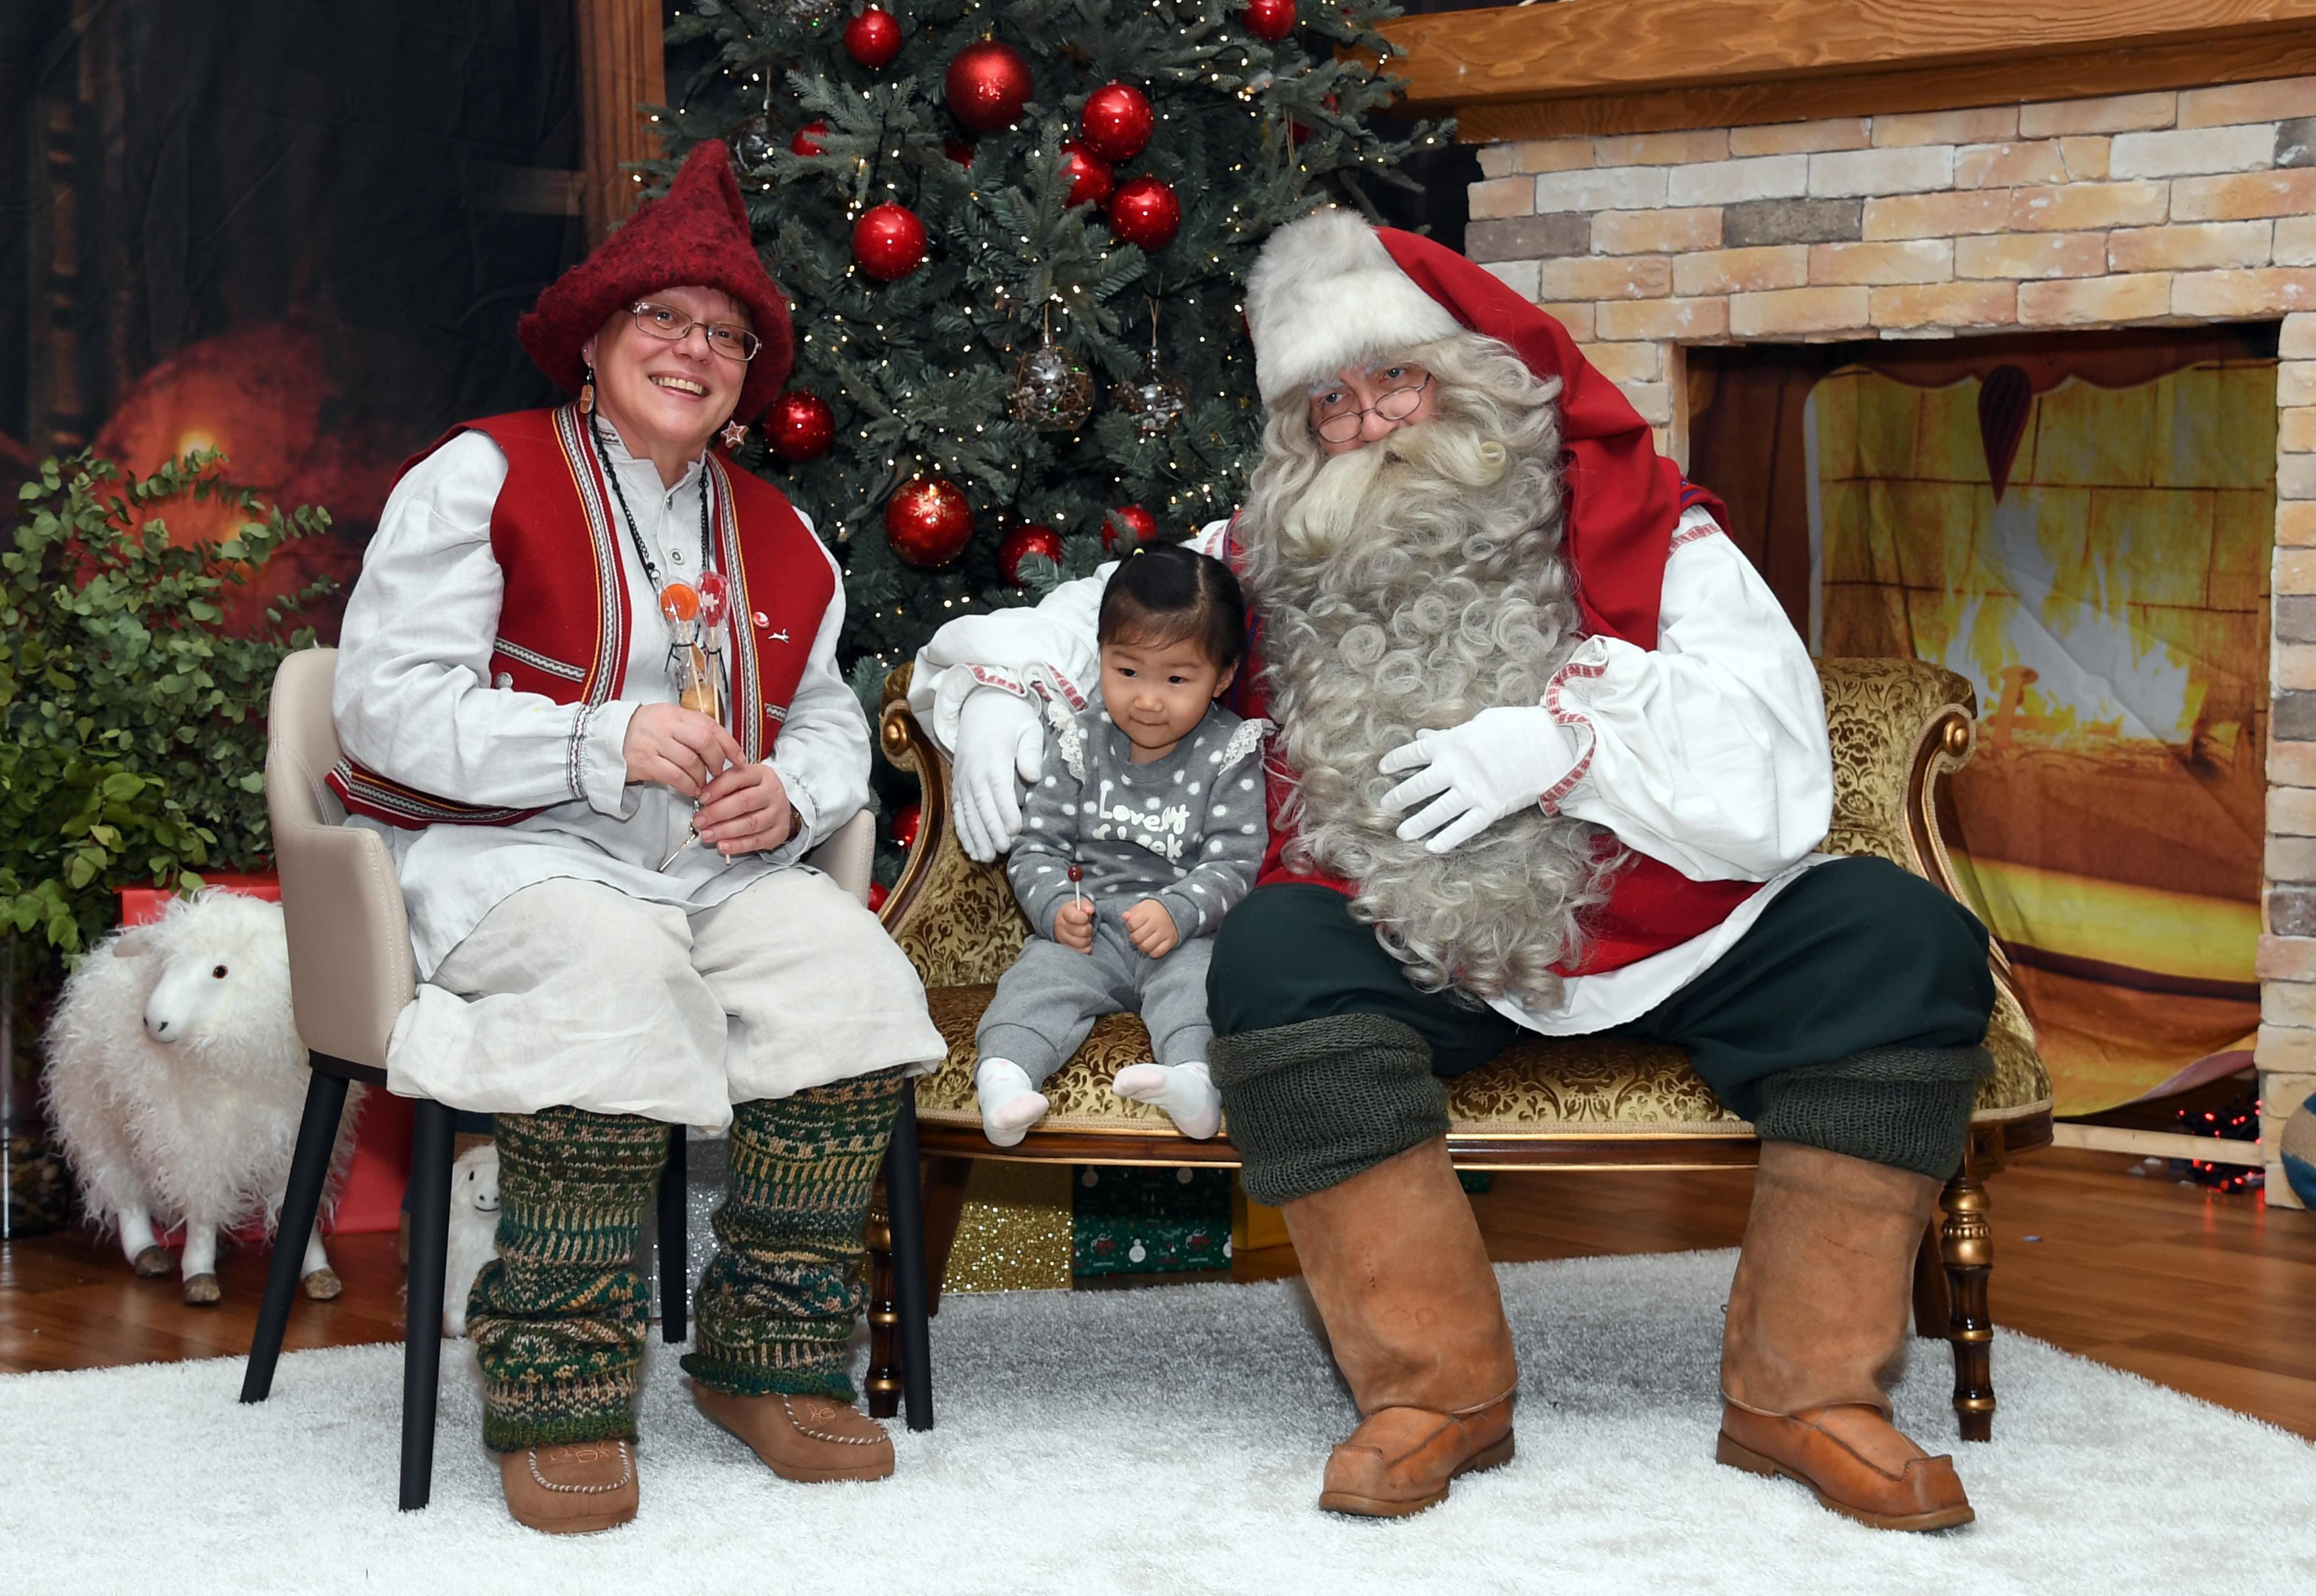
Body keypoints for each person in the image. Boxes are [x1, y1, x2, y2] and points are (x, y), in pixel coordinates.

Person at [912, 208, 1996, 1532]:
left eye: (1399, 381)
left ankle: (1806, 1392)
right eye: (1333, 401)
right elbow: (1079, 627)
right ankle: (1433, 1389)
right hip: (1402, 938)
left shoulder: (1656, 533)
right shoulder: (1254, 558)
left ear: (1470, 380)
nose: (1372, 423)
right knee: (1272, 957)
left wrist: (1563, 740)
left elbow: (1775, 775)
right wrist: (1007, 695)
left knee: (1898, 934)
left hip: (1667, 928)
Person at [331, 142, 945, 1534]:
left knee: (852, 980)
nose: (695, 349)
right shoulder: (478, 474)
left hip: (712, 871)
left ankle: (769, 1358)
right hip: (515, 857)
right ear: (597, 339)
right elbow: (381, 705)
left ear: (747, 381)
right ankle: (558, 1380)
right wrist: (594, 740)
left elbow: (835, 724)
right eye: (663, 319)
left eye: (725, 335)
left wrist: (791, 793)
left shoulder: (787, 537)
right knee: (610, 977)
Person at [972, 542, 1269, 1146]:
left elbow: (1236, 861)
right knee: (1036, 982)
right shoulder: (1081, 740)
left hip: (1184, 934)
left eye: (1178, 678)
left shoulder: (1229, 751)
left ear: (1224, 676)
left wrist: (1180, 909)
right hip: (1090, 929)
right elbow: (1037, 848)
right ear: (1102, 656)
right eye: (1126, 671)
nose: (1148, 699)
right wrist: (1056, 907)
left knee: (1199, 990)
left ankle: (1193, 1083)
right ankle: (1005, 1079)